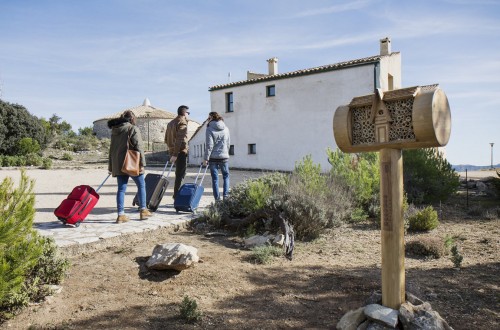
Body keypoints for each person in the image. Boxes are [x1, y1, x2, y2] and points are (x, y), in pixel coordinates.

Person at [108, 110, 152, 223]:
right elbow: (139, 147)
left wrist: (111, 166)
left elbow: (111, 150)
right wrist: (142, 163)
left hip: (118, 164)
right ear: (132, 118)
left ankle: (121, 215)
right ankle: (143, 210)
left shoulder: (114, 131)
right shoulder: (132, 128)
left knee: (121, 189)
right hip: (131, 162)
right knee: (142, 185)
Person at [203, 112, 230, 200]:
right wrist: (226, 152)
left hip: (213, 158)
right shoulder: (226, 128)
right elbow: (228, 143)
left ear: (211, 118)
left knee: (215, 179)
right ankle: (226, 196)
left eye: (208, 118)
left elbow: (209, 145)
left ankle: (217, 199)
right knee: (226, 176)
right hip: (224, 157)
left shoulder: (209, 129)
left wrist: (206, 159)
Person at [165, 105, 190, 199]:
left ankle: (176, 195)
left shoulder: (171, 123)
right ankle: (177, 196)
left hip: (172, 151)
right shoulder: (182, 123)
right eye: (188, 113)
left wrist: (171, 151)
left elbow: (166, 139)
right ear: (185, 113)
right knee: (180, 175)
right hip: (180, 152)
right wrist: (176, 153)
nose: (189, 115)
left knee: (178, 174)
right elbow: (181, 140)